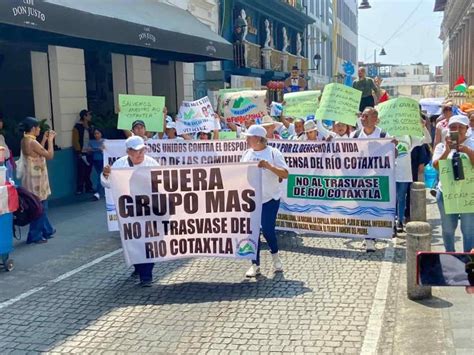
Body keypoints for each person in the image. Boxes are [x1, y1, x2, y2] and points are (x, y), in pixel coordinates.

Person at [101, 136, 159, 286]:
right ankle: (138, 267)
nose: (139, 154)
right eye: (136, 151)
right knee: (133, 241)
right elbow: (107, 184)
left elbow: (161, 183)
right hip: (128, 211)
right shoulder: (119, 164)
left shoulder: (151, 163)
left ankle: (146, 275)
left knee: (148, 241)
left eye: (142, 150)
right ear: (128, 152)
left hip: (147, 210)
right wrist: (106, 175)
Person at [241, 125, 289, 277]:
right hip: (252, 200)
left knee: (268, 231)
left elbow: (285, 174)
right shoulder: (247, 154)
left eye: (249, 137)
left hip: (270, 199)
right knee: (252, 233)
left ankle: (275, 256)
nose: (246, 139)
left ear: (258, 138)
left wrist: (268, 166)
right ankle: (255, 265)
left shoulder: (274, 153)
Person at [350, 107, 395, 252]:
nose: (362, 119)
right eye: (362, 116)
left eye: (366, 116)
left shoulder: (383, 135)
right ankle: (368, 236)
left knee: (374, 208)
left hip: (377, 179)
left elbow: (395, 154)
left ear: (375, 119)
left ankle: (372, 236)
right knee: (363, 208)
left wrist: (394, 146)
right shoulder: (355, 135)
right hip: (359, 179)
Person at [432, 115, 474, 252]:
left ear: (467, 129)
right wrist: (447, 151)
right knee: (448, 229)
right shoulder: (441, 146)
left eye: (460, 127)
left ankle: (468, 261)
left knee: (469, 231)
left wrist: (467, 151)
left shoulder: (472, 143)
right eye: (453, 127)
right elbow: (436, 166)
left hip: (468, 195)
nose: (456, 130)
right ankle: (450, 256)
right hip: (447, 194)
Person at [19, 117, 56, 244]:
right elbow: (49, 155)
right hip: (37, 180)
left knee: (37, 206)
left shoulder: (25, 140)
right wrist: (51, 140)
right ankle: (35, 235)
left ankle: (47, 230)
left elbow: (37, 152)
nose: (40, 129)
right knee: (40, 207)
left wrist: (45, 139)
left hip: (30, 178)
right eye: (38, 127)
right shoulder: (32, 142)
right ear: (33, 128)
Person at [394, 121, 431, 231]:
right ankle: (392, 222)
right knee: (392, 199)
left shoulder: (410, 137)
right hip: (391, 173)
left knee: (401, 197)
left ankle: (400, 220)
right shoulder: (388, 135)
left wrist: (423, 127)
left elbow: (427, 140)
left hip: (405, 173)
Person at [72, 109, 94, 195]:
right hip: (81, 152)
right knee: (81, 171)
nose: (90, 117)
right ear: (84, 116)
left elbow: (94, 136)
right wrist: (78, 152)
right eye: (89, 115)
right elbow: (75, 140)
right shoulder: (77, 127)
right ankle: (80, 188)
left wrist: (89, 129)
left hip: (89, 151)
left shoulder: (90, 126)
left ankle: (89, 187)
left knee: (88, 171)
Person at [88, 128, 105, 201]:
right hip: (96, 160)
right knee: (100, 175)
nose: (96, 135)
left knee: (100, 175)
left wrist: (95, 149)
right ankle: (101, 191)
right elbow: (88, 150)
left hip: (103, 160)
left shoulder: (105, 141)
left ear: (101, 133)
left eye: (98, 133)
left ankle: (98, 192)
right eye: (95, 133)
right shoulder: (91, 142)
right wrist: (97, 149)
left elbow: (104, 149)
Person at [0, 113, 13, 180]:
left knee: (11, 185)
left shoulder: (1, 136)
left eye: (1, 121)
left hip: (7, 163)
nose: (1, 123)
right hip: (1, 166)